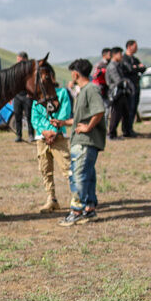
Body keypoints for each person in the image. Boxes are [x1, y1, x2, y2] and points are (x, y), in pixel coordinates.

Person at [57, 59, 105, 226]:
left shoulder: (91, 89)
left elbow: (99, 111)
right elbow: (80, 119)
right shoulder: (84, 91)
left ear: (75, 74)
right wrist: (63, 123)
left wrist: (88, 127)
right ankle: (89, 209)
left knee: (77, 175)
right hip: (84, 140)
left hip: (85, 141)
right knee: (87, 175)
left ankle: (76, 211)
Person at [31, 75, 73, 212]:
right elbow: (34, 118)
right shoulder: (37, 98)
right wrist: (44, 132)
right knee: (45, 169)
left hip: (58, 137)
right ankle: (51, 199)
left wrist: (53, 131)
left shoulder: (62, 93)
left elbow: (64, 113)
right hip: (42, 138)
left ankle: (77, 197)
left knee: (67, 167)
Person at [105, 47, 136, 139]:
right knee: (115, 114)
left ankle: (126, 132)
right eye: (120, 54)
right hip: (116, 93)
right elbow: (118, 80)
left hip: (122, 93)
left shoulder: (118, 65)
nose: (122, 56)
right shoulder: (112, 66)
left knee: (125, 113)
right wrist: (127, 81)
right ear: (114, 55)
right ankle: (112, 134)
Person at [10, 52, 35, 142]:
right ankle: (19, 136)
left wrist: (31, 93)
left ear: (25, 59)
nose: (18, 62)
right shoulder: (15, 69)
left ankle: (31, 135)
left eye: (19, 60)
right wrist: (11, 95)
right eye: (17, 60)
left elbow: (33, 82)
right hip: (17, 96)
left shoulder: (30, 70)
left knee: (29, 116)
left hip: (27, 96)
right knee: (17, 116)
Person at [124, 39, 146, 122]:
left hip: (136, 86)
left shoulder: (135, 59)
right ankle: (127, 127)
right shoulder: (124, 59)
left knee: (134, 108)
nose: (137, 48)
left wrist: (135, 67)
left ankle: (130, 127)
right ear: (129, 47)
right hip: (129, 87)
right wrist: (137, 67)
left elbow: (143, 68)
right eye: (135, 46)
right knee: (129, 108)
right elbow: (129, 69)